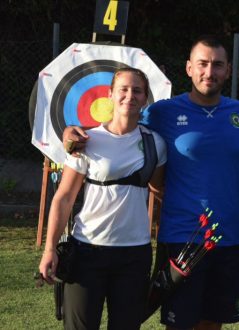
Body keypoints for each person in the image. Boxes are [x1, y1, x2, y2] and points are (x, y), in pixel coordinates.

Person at [63, 35, 239, 330]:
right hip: (181, 236)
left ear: (228, 71)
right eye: (203, 64)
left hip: (227, 236)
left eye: (218, 65)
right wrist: (69, 132)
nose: (210, 72)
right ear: (189, 68)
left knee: (212, 324)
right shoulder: (162, 112)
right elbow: (120, 131)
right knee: (179, 323)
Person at [38, 67, 167, 329]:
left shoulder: (156, 143)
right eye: (123, 89)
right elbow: (64, 198)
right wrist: (50, 248)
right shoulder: (87, 140)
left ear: (145, 99)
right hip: (87, 251)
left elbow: (159, 190)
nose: (130, 95)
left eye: (137, 91)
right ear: (110, 95)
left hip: (134, 254)